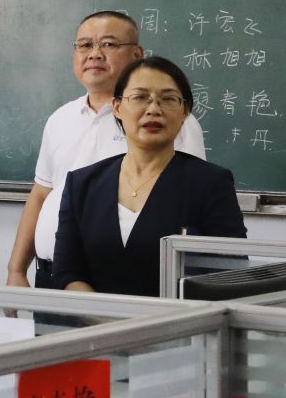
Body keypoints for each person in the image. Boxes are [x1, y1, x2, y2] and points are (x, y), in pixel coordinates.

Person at [8, 10, 205, 291]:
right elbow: (42, 194)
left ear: (137, 54)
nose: (94, 54)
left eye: (109, 44)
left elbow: (190, 201)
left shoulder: (165, 121)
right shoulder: (60, 118)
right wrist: (16, 269)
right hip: (52, 276)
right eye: (85, 45)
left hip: (123, 280)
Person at [53, 56, 243, 296]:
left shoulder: (210, 183)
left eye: (168, 99)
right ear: (117, 107)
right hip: (93, 318)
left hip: (179, 318)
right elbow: (67, 271)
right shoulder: (82, 183)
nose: (154, 109)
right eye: (140, 97)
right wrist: (104, 313)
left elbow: (230, 271)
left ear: (185, 112)